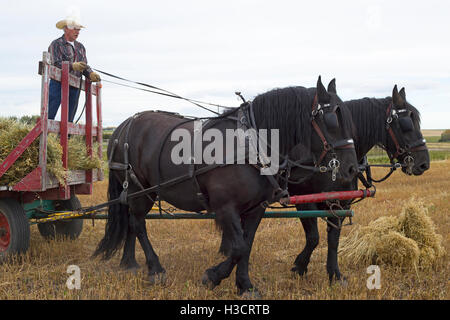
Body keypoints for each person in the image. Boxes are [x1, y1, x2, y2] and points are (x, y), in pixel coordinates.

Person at [48, 16, 101, 122]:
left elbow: (84, 65)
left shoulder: (80, 47)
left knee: (70, 116)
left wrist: (90, 74)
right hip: (58, 83)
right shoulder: (56, 44)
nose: (78, 32)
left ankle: (67, 137)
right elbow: (55, 63)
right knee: (51, 111)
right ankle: (45, 134)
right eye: (75, 29)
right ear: (66, 28)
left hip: (75, 85)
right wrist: (72, 65)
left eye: (79, 29)